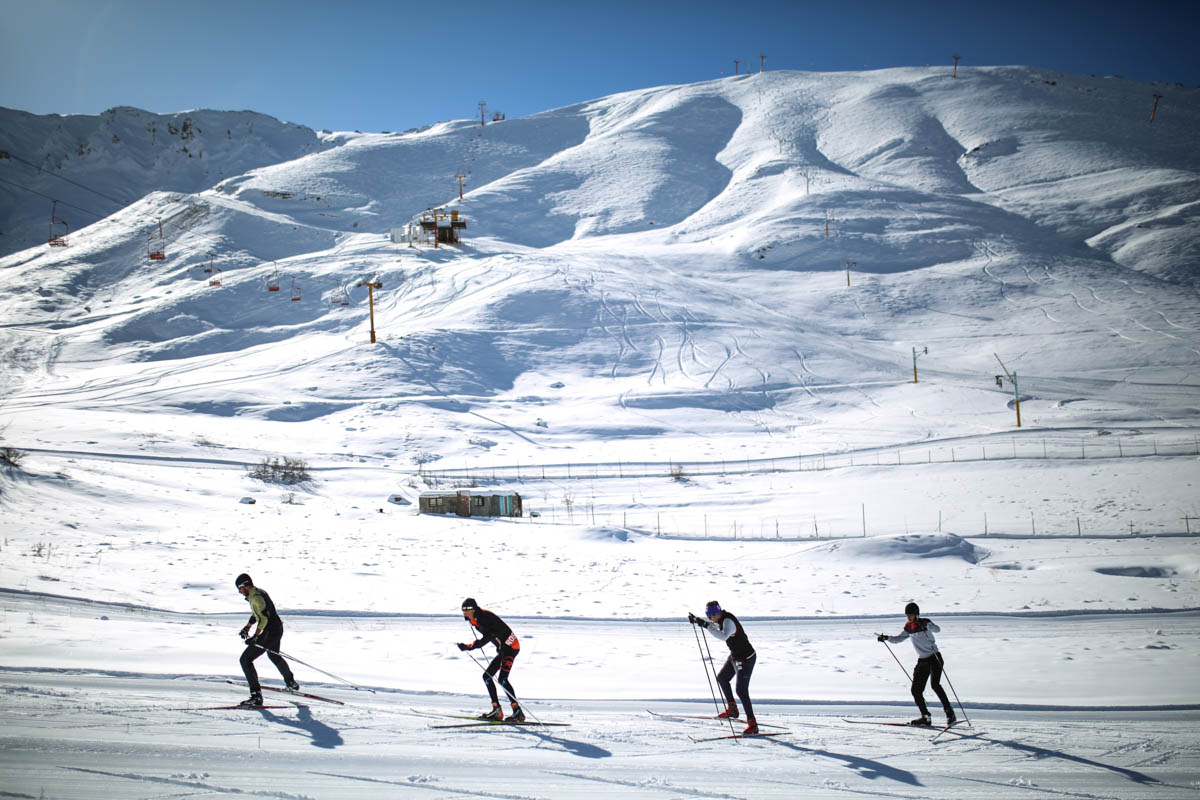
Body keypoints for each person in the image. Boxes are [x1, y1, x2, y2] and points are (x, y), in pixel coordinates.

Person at [877, 601, 956, 726]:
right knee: (916, 690)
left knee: (935, 685)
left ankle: (950, 713)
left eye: (911, 615)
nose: (909, 617)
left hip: (934, 657)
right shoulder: (908, 627)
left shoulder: (925, 622)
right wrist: (887, 638)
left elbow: (938, 629)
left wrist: (929, 625)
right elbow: (898, 639)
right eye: (907, 615)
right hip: (923, 660)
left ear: (916, 614)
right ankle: (925, 717)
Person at [689, 600, 759, 735]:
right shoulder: (720, 618)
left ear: (717, 613)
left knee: (741, 690)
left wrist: (705, 625)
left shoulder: (728, 622)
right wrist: (698, 621)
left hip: (746, 659)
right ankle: (732, 709)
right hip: (735, 656)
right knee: (722, 678)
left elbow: (723, 636)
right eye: (708, 615)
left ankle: (753, 724)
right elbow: (712, 625)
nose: (710, 618)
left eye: (712, 615)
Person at [235, 573, 298, 708]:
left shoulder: (256, 597)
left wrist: (256, 637)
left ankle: (256, 696)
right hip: (277, 629)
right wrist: (247, 627)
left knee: (245, 660)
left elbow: (264, 618)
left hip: (269, 631)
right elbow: (257, 614)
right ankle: (291, 682)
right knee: (273, 655)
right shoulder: (256, 594)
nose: (239, 592)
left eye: (239, 589)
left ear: (244, 586)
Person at [457, 598, 524, 721]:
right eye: (463, 611)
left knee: (502, 679)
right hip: (504, 648)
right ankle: (497, 710)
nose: (464, 613)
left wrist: (469, 647)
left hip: (510, 648)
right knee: (487, 677)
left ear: (473, 609)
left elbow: (487, 637)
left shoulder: (483, 618)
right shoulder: (475, 619)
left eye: (466, 610)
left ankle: (517, 712)